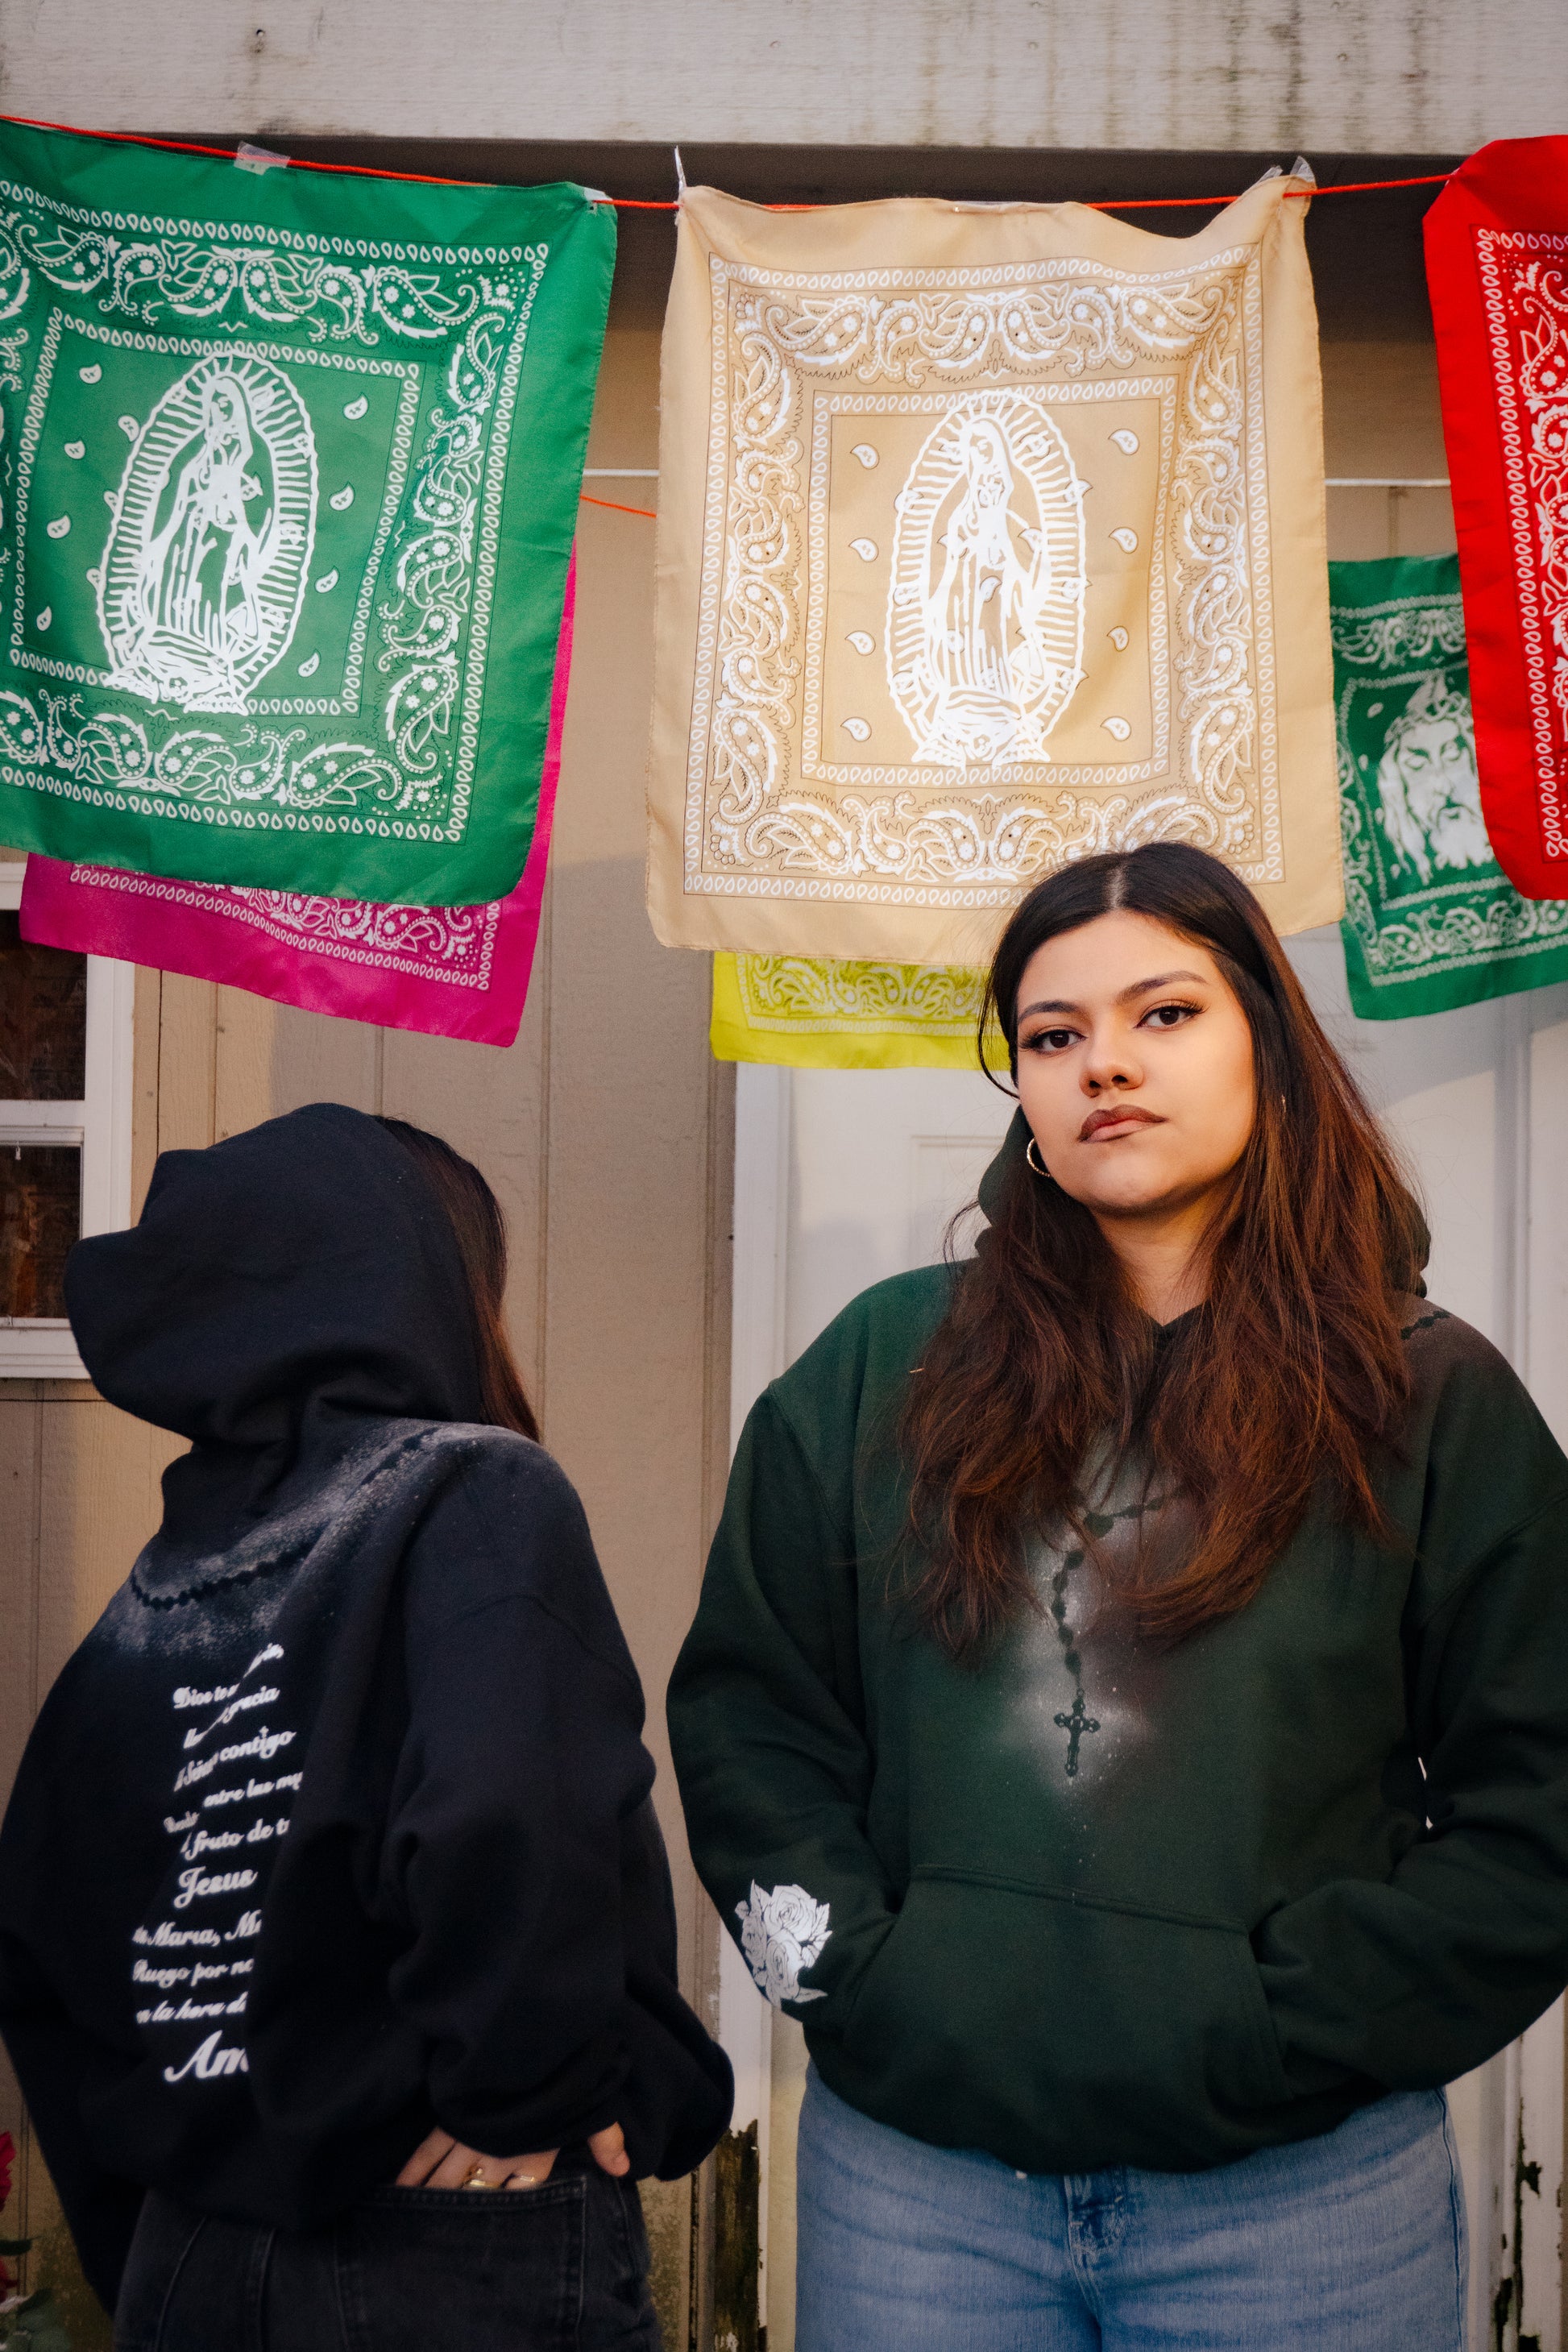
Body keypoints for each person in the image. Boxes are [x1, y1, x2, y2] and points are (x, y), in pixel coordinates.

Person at [669, 841, 1568, 2352]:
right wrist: (876, 1987)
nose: (1103, 1065)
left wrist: (1283, 2024)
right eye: (1052, 1034)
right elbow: (753, 1723)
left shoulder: (1427, 1397)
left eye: (1164, 1014)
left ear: (1266, 1043)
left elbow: (1537, 1803)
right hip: (919, 2194)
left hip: (1299, 2206)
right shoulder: (879, 1368)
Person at [0, 1103, 731, 2350]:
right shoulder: (471, 1490)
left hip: (189, 2257)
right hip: (442, 2239)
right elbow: (506, 1814)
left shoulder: (159, 1593)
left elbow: (41, 1930)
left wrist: (145, 2238)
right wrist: (526, 2095)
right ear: (429, 1284)